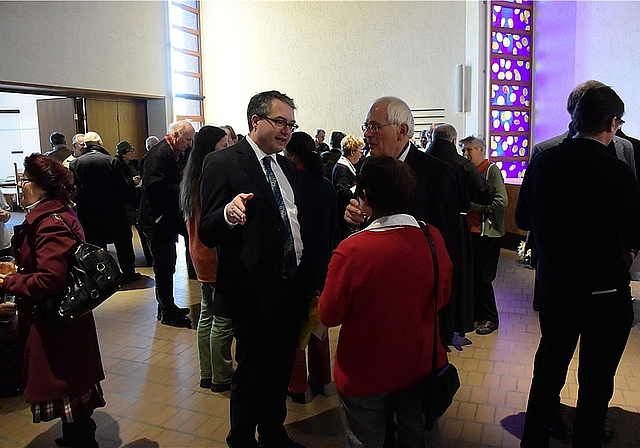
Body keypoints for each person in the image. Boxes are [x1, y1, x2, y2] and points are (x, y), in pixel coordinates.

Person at [516, 85, 640, 447]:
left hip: (556, 290)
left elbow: (522, 218)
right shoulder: (617, 172)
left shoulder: (544, 160)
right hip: (604, 296)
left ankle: (533, 440)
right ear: (612, 124)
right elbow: (635, 232)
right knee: (596, 383)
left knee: (548, 374)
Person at [199, 90, 311, 448]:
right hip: (252, 290)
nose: (286, 130)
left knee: (280, 366)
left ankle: (274, 431)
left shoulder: (287, 165)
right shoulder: (224, 163)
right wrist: (229, 215)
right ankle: (243, 438)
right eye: (280, 122)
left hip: (288, 285)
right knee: (251, 372)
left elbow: (290, 222)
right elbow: (207, 228)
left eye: (291, 124)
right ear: (255, 121)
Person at [319, 156, 453, 448]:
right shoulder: (433, 238)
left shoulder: (351, 250)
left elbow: (328, 314)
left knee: (366, 441)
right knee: (418, 437)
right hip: (419, 363)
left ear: (364, 198)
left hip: (364, 371)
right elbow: (441, 297)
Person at [0, 153, 105, 447]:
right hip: (69, 318)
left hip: (58, 322)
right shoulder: (61, 212)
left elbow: (50, 279)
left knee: (68, 389)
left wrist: (11, 281)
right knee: (73, 391)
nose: (21, 186)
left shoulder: (49, 223)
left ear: (43, 185)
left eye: (26, 180)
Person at [427, 124, 495, 343]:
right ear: (454, 141)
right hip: (454, 226)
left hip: (424, 227)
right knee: (454, 276)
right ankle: (449, 329)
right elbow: (486, 194)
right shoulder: (461, 164)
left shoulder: (421, 160)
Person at [179, 125, 234, 393]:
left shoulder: (191, 173)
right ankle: (222, 375)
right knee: (223, 317)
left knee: (207, 315)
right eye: (223, 146)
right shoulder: (211, 174)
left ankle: (206, 372)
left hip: (198, 252)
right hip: (213, 252)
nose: (227, 150)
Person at [283, 131, 336, 404]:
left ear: (292, 156)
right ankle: (323, 380)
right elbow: (332, 228)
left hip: (296, 268)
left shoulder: (289, 185)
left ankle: (297, 388)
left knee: (294, 329)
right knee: (319, 326)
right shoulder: (325, 184)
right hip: (322, 265)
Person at [138, 120, 195, 328]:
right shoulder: (158, 154)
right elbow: (154, 187)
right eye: (188, 140)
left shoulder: (174, 152)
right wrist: (183, 188)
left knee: (167, 264)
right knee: (164, 266)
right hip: (156, 220)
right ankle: (167, 312)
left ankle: (167, 307)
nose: (189, 144)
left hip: (166, 218)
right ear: (177, 135)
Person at [69, 132, 140, 284]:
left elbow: (74, 190)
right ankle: (128, 272)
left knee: (96, 245)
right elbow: (121, 187)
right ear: (100, 142)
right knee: (123, 243)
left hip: (88, 212)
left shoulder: (75, 163)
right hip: (114, 210)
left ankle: (102, 276)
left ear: (85, 145)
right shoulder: (111, 161)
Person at [461, 136, 507, 335]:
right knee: (473, 277)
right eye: (463, 150)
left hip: (488, 234)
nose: (466, 154)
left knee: (484, 278)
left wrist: (475, 207)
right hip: (471, 232)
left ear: (481, 150)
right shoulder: (467, 172)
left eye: (470, 149)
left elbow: (501, 200)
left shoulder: (491, 171)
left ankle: (490, 318)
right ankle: (476, 316)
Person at [115, 140, 153, 266]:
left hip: (137, 199)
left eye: (132, 150)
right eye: (129, 151)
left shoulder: (135, 163)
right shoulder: (117, 164)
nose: (132, 153)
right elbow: (119, 184)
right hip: (128, 202)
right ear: (122, 153)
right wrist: (132, 181)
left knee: (143, 229)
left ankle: (150, 257)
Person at [332, 134, 364, 246]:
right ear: (352, 152)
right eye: (360, 151)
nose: (361, 155)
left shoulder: (344, 165)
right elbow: (342, 194)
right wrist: (359, 186)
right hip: (343, 217)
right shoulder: (343, 169)